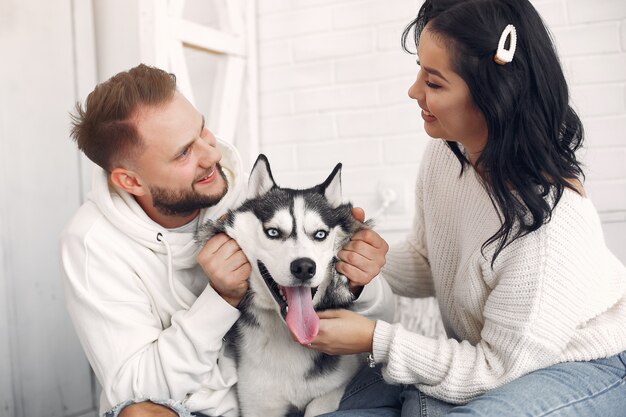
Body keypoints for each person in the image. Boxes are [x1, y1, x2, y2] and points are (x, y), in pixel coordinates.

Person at [310, 0, 626, 416]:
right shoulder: (446, 155)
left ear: (494, 96)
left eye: (435, 83)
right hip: (490, 357)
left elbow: (496, 370)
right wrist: (366, 256)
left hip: (583, 363)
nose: (413, 91)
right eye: (419, 70)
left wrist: (377, 341)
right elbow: (430, 261)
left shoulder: (549, 227)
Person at [60, 64, 398, 417]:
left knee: (391, 386)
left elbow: (378, 326)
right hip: (195, 408)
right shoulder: (92, 245)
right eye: (183, 153)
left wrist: (358, 280)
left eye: (202, 130)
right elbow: (135, 389)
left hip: (315, 387)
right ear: (130, 181)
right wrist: (220, 298)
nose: (211, 155)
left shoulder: (248, 199)